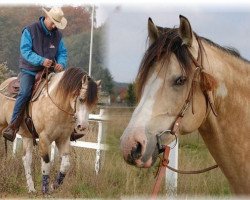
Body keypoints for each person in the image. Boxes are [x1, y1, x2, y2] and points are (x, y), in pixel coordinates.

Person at [3, 7, 83, 142]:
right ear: (47, 18)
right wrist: (41, 60)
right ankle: (13, 126)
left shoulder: (57, 35)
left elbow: (62, 53)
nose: (54, 26)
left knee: (66, 92)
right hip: (29, 70)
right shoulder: (30, 30)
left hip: (50, 72)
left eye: (56, 24)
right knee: (25, 92)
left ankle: (69, 129)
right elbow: (25, 51)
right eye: (53, 22)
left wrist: (61, 64)